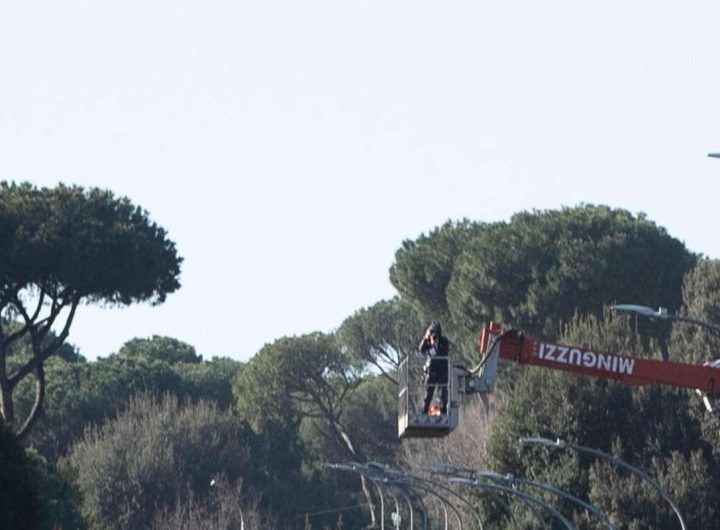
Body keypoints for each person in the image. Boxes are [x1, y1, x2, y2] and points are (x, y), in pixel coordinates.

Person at [419, 321, 450, 414]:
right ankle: (425, 411)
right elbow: (421, 349)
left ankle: (443, 410)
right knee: (428, 393)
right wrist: (426, 337)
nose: (434, 335)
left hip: (442, 371)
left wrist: (436, 341)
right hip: (431, 371)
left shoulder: (444, 341)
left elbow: (442, 351)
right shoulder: (429, 341)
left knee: (442, 393)